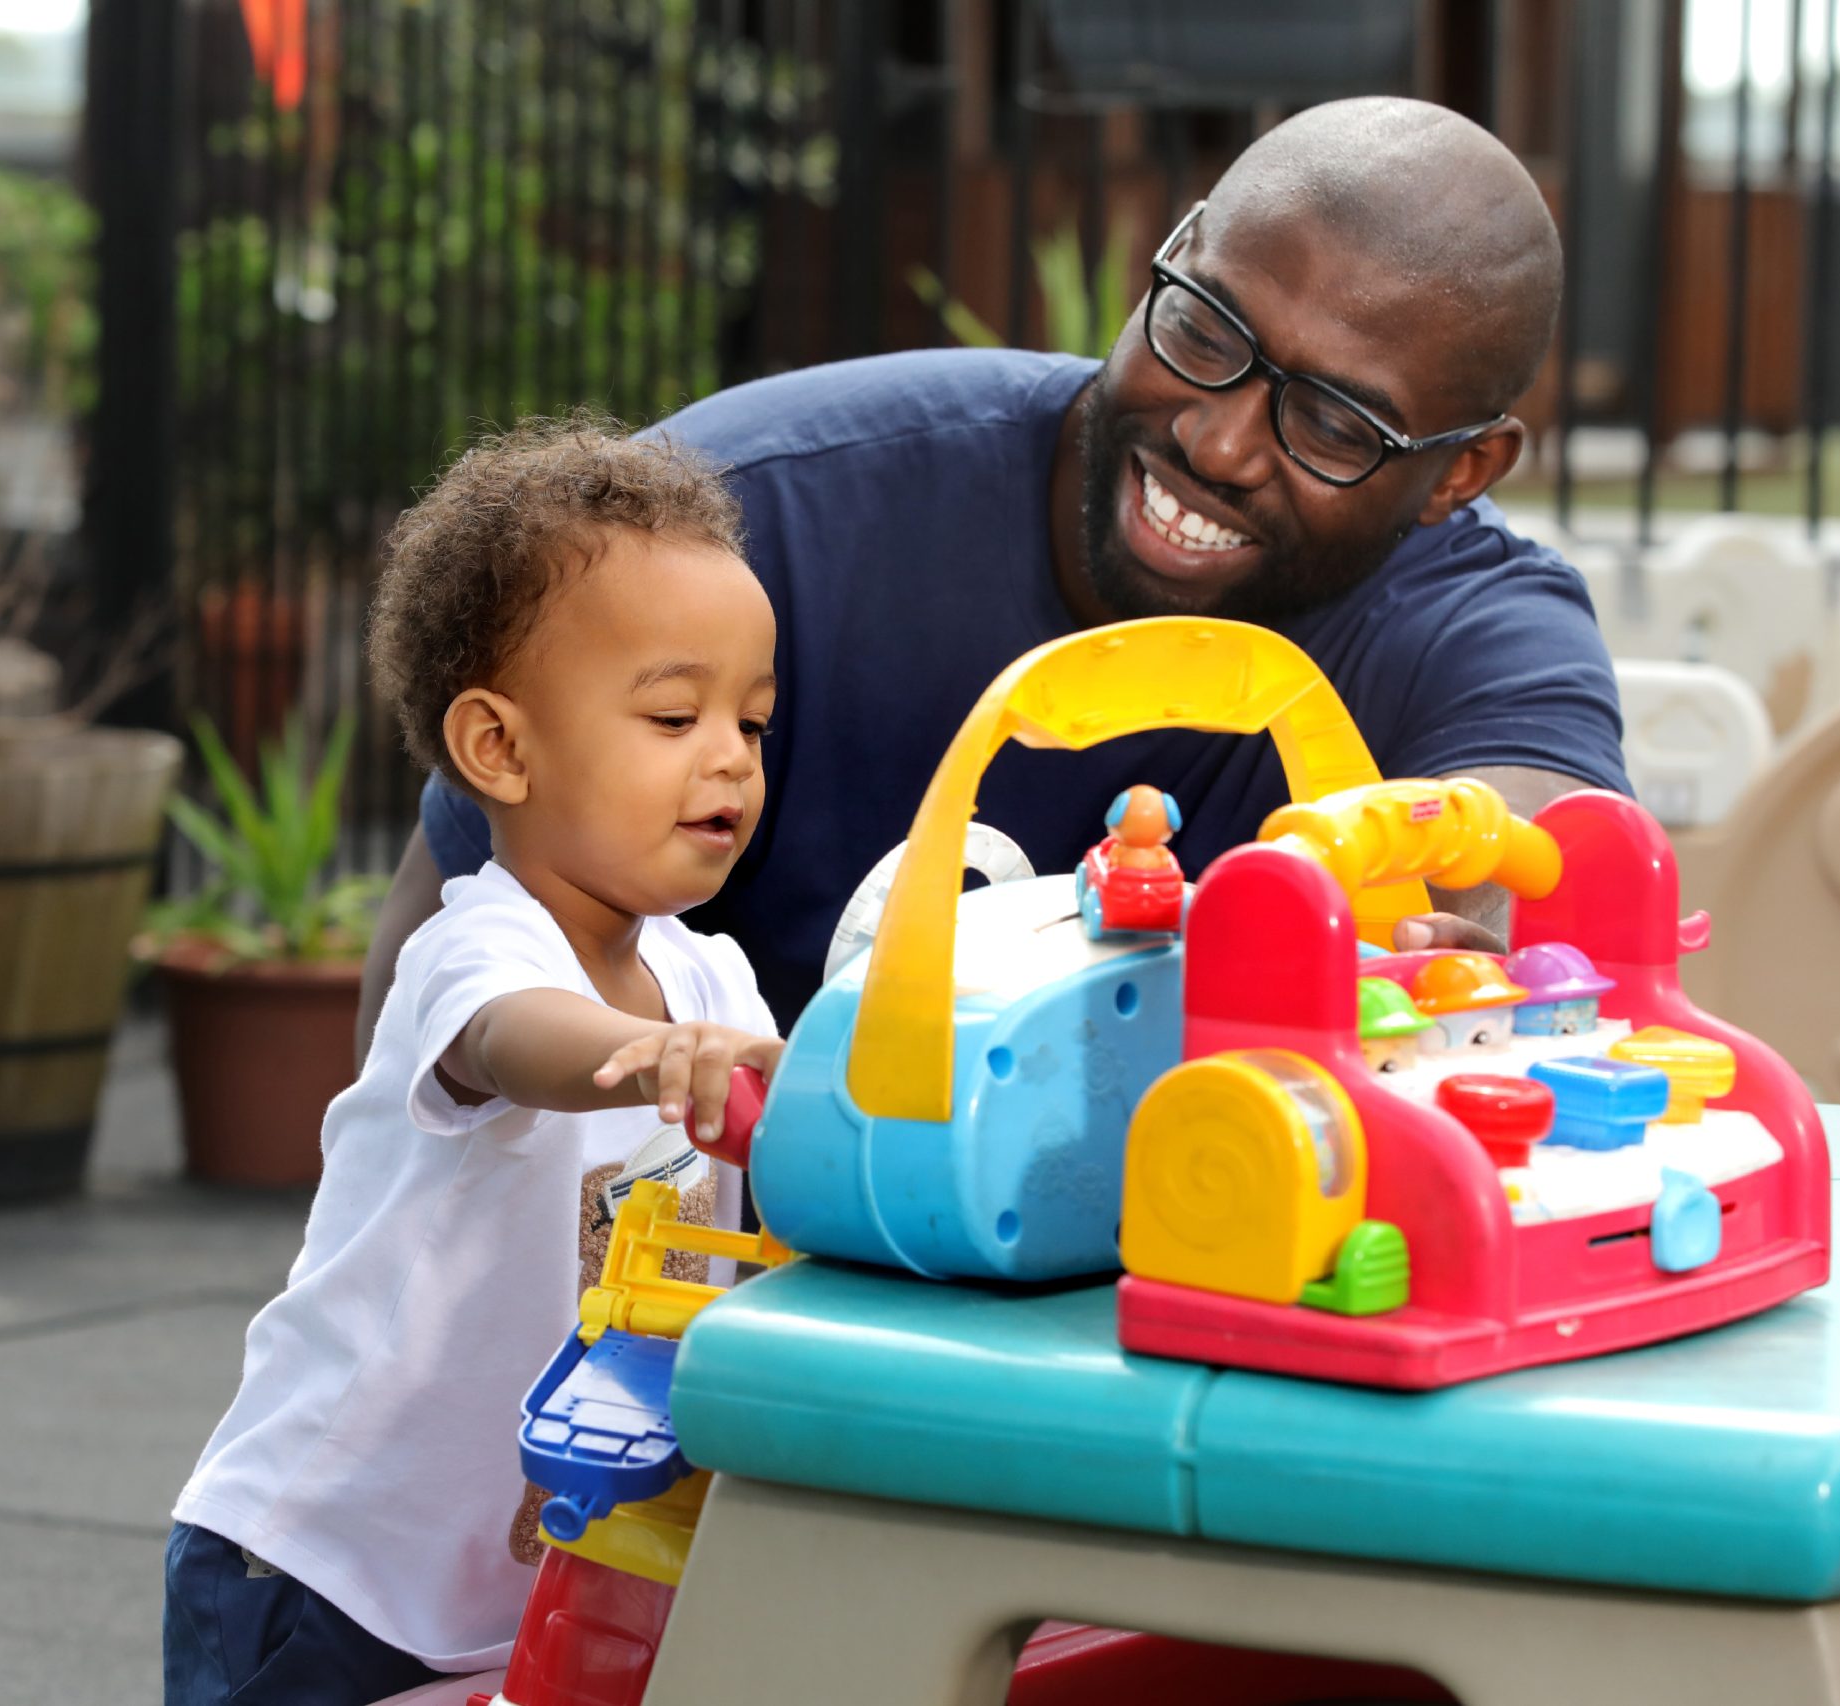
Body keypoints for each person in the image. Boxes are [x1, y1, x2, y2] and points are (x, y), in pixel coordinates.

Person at [362, 97, 1630, 1048]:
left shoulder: (1473, 624)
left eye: (1337, 425)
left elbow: (1544, 868)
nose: (1217, 439)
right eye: (1208, 327)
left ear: (1461, 474)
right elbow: (440, 980)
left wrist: (1475, 925)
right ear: (1171, 249)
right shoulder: (752, 520)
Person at [164, 419, 783, 1704]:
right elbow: (522, 1043)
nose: (728, 753)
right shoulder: (477, 946)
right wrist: (651, 1053)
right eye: (674, 713)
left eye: (754, 720)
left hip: (540, 1570)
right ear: (498, 747)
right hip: (330, 1564)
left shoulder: (712, 978)